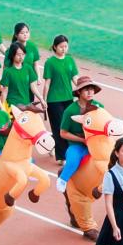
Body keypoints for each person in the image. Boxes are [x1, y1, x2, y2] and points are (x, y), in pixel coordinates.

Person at [55, 75, 103, 197]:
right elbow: (63, 133)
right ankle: (63, 180)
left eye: (92, 89)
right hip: (77, 145)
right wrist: (82, 140)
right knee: (73, 160)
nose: (90, 92)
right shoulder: (70, 111)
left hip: (96, 144)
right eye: (86, 89)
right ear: (79, 92)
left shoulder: (99, 107)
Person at [41, 35, 79, 163]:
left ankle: (53, 144)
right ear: (55, 47)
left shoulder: (70, 60)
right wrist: (44, 100)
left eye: (66, 46)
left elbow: (75, 78)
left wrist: (83, 89)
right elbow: (47, 83)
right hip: (54, 100)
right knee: (58, 127)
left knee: (68, 126)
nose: (64, 49)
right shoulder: (50, 62)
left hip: (68, 98)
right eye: (61, 47)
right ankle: (62, 157)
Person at [1, 42, 42, 109]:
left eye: (23, 54)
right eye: (18, 54)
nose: (21, 57)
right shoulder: (7, 71)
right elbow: (5, 91)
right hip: (12, 105)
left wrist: (41, 99)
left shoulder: (28, 68)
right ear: (12, 55)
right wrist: (2, 107)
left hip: (26, 104)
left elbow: (33, 87)